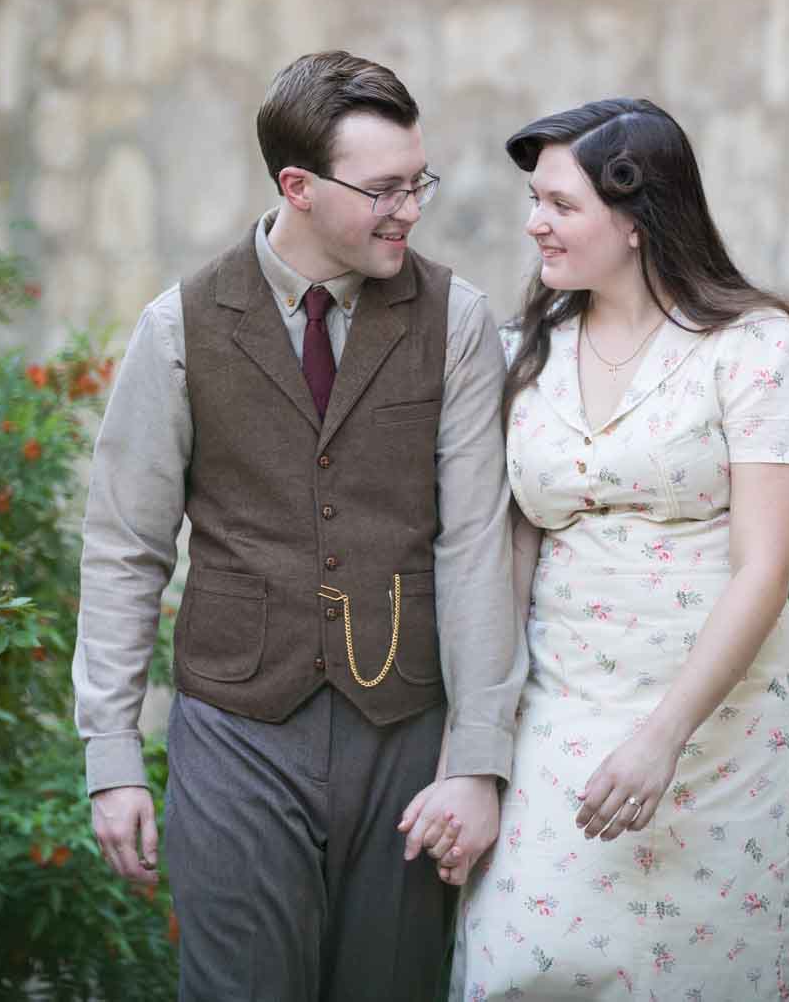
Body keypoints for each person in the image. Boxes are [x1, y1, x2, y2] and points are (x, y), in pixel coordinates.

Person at [72, 51, 525, 1000]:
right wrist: (111, 754)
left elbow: (476, 539)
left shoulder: (459, 321)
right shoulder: (178, 328)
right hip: (237, 726)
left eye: (419, 182)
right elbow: (126, 547)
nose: (409, 208)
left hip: (405, 733)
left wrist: (478, 759)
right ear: (299, 186)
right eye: (385, 188)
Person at [450, 98, 789, 1001]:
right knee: (525, 964)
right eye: (534, 200)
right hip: (557, 715)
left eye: (560, 204)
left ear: (636, 218)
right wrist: (478, 742)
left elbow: (765, 569)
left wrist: (663, 736)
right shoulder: (521, 354)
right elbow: (508, 554)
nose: (534, 222)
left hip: (719, 731)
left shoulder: (752, 348)